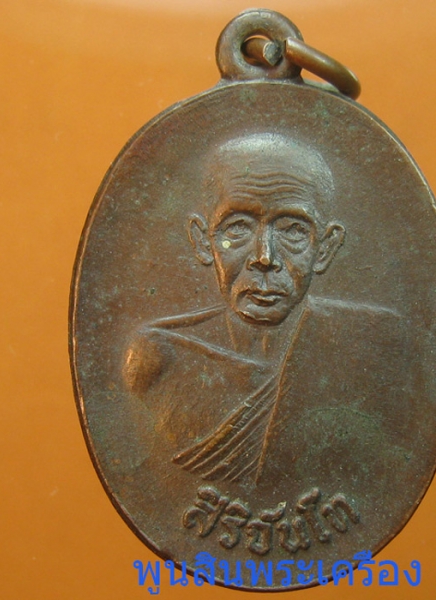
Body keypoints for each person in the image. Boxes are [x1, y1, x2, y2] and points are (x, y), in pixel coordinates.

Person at [123, 133, 408, 491]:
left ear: (325, 247)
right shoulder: (161, 359)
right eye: (238, 227)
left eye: (293, 230)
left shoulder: (374, 348)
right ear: (202, 240)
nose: (264, 257)